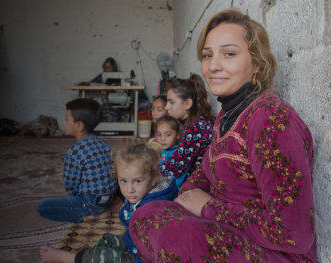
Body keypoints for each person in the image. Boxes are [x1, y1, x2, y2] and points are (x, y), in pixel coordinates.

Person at [129, 9, 318, 262]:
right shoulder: (227, 113)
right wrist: (190, 194)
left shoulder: (272, 120)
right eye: (208, 55)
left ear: (258, 63)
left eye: (229, 53)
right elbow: (207, 170)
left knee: (178, 239)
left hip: (272, 252)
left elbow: (292, 233)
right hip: (226, 229)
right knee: (145, 213)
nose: (213, 66)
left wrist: (208, 207)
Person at [40, 141, 178, 263]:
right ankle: (91, 257)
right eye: (123, 181)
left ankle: (69, 258)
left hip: (146, 257)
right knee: (108, 239)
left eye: (137, 181)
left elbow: (152, 251)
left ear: (153, 179)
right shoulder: (152, 191)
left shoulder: (149, 212)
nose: (129, 189)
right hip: (136, 242)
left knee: (104, 256)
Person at [37, 98, 118, 223]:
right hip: (108, 198)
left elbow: (71, 186)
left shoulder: (75, 151)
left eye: (67, 119)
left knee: (43, 207)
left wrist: (76, 199)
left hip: (88, 203)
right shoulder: (105, 145)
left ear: (79, 125)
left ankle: (85, 217)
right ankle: (98, 210)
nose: (64, 122)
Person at [159, 74, 215, 185]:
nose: (167, 107)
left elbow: (175, 168)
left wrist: (147, 169)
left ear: (187, 103)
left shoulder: (198, 128)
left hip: (196, 189)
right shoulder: (185, 125)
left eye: (171, 102)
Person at [155, 115, 188, 189]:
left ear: (178, 135)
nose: (162, 139)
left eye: (168, 134)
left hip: (171, 188)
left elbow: (176, 179)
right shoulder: (162, 149)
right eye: (159, 134)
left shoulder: (178, 153)